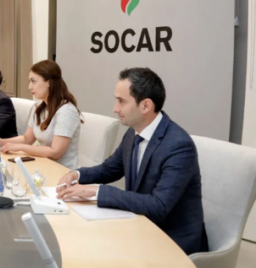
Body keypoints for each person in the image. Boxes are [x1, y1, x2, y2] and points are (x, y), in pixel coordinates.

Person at [56, 68, 208, 255]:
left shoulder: (178, 146)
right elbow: (110, 169)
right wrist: (77, 174)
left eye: (121, 101)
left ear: (145, 106)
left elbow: (158, 206)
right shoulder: (133, 132)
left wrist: (96, 191)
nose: (115, 108)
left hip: (172, 240)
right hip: (140, 225)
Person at [0, 60, 81, 170]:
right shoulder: (39, 108)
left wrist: (20, 147)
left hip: (63, 171)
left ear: (48, 82)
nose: (30, 87)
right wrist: (2, 142)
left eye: (33, 81)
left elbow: (55, 152)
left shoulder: (66, 111)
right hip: (43, 166)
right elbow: (27, 139)